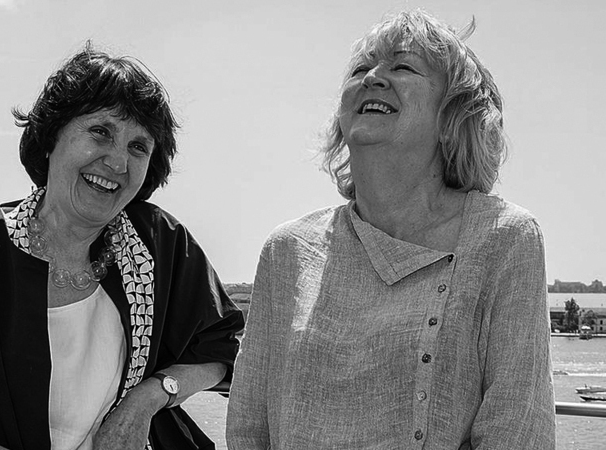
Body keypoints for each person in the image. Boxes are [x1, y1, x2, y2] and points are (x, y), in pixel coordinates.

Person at [0, 43, 244, 450]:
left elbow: (223, 349)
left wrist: (148, 399)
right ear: (52, 136)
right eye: (100, 131)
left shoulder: (159, 244)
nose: (117, 162)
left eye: (138, 146)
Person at [226, 10, 555, 449]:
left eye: (402, 66)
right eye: (362, 68)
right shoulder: (288, 249)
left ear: (452, 115)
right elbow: (249, 426)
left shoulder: (504, 238)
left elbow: (518, 432)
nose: (374, 77)